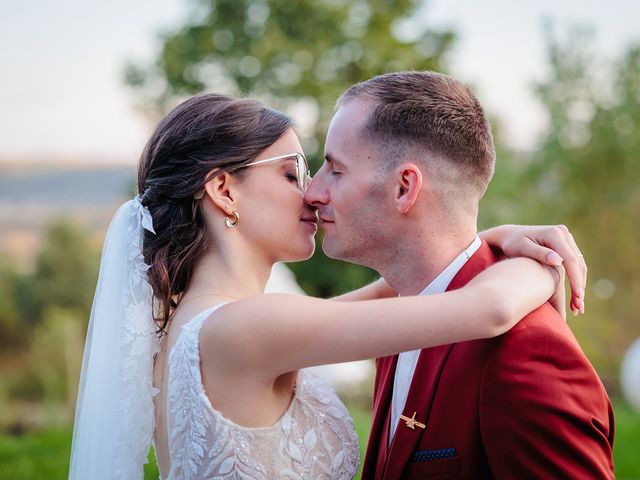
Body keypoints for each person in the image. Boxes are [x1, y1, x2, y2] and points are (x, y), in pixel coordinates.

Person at [69, 93, 582, 480]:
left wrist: (495, 238)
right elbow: (489, 309)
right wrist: (550, 261)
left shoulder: (210, 322)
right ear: (224, 190)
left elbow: (401, 289)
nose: (313, 194)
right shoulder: (249, 326)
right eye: (293, 174)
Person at [305, 71, 615, 479]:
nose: (313, 192)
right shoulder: (398, 316)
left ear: (404, 188)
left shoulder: (525, 355)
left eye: (335, 169)